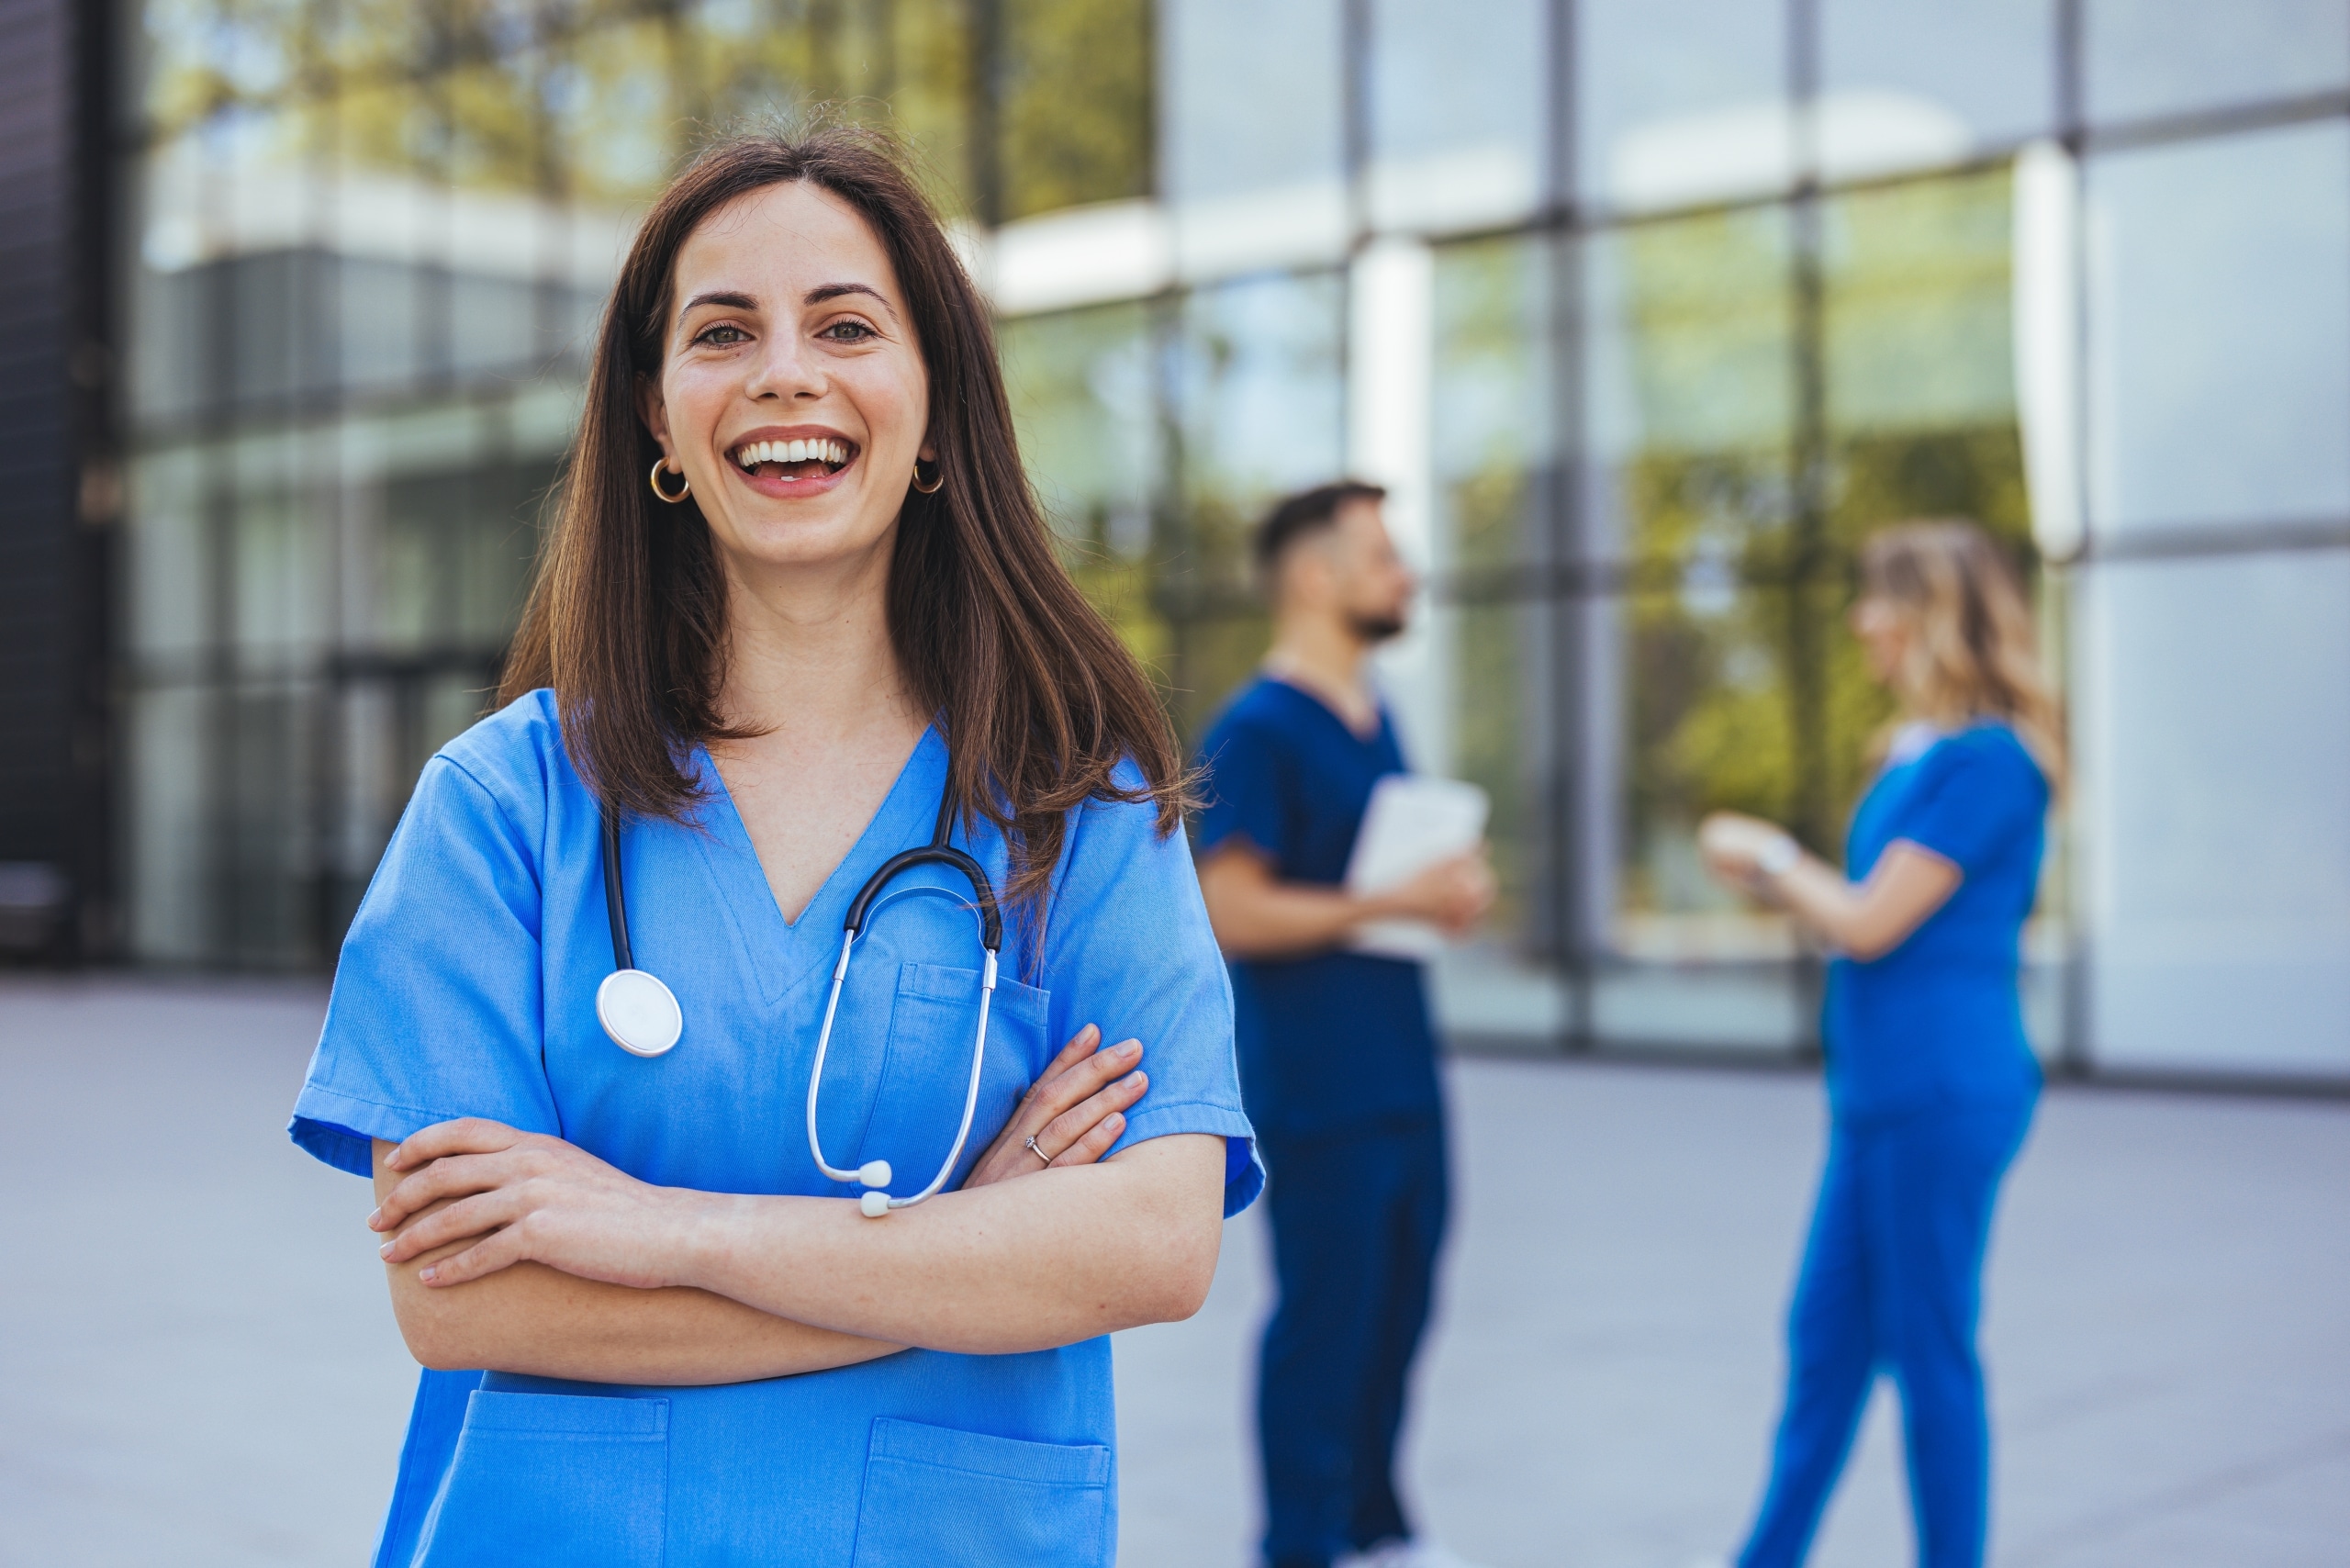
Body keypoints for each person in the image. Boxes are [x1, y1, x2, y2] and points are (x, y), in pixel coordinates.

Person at [286, 125, 1259, 1568]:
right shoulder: (504, 806)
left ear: (936, 410)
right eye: (722, 331)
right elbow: (464, 1298)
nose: (785, 373)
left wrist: (657, 1233)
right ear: (658, 418)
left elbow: (1157, 1245)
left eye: (847, 325)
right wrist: (953, 1248)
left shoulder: (1071, 798)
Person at [1695, 521, 2063, 1568]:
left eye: (1877, 600)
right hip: (1879, 1097)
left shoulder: (1993, 761)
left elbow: (1867, 920)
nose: (1861, 620)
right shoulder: (1915, 754)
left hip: (1942, 1093)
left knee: (1928, 1350)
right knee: (1825, 1348)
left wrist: (1765, 853)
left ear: (1929, 615)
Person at [1193, 483, 1497, 1568]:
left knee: (1399, 1318)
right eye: (1381, 556)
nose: (1404, 574)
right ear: (1314, 578)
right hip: (1318, 1092)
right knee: (1325, 1332)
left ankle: (1370, 1529)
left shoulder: (1379, 714)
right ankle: (1299, 1546)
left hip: (1404, 1081)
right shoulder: (1258, 728)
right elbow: (1226, 909)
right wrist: (1391, 904)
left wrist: (1440, 895)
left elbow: (1376, 889)